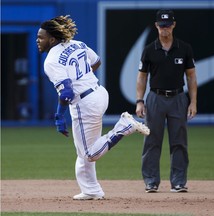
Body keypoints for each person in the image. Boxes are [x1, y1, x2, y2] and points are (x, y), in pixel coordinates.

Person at [36, 15, 150, 200]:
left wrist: (59, 116)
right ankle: (91, 190)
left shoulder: (51, 60)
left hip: (84, 103)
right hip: (98, 93)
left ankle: (124, 127)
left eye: (41, 37)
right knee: (82, 150)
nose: (38, 40)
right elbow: (96, 61)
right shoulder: (77, 44)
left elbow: (66, 93)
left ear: (52, 39)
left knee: (89, 154)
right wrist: (82, 78)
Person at [136, 9, 197, 193]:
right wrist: (139, 100)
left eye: (168, 25)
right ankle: (151, 181)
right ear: (156, 25)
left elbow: (191, 77)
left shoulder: (184, 48)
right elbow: (142, 77)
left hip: (178, 97)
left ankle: (178, 182)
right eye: (162, 25)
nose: (165, 29)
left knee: (179, 141)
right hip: (155, 97)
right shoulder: (149, 50)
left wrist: (193, 102)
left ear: (174, 25)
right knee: (152, 140)